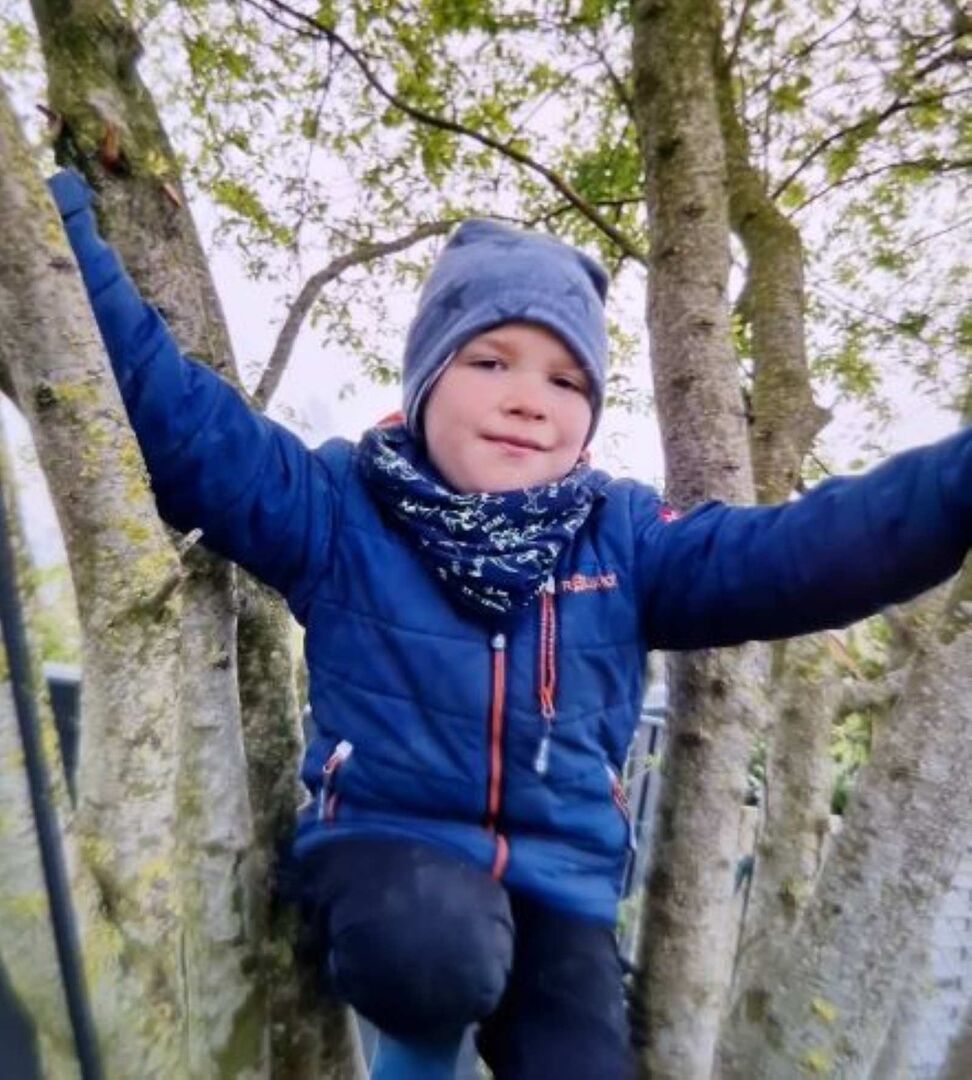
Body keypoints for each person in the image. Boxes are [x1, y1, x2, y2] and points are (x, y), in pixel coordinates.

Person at [48, 169, 972, 1080]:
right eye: (491, 362)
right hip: (387, 854)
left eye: (567, 380)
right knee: (438, 954)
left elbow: (802, 550)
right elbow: (186, 430)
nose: (531, 398)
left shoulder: (625, 537)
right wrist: (60, 247)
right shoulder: (340, 507)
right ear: (423, 384)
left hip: (557, 890)